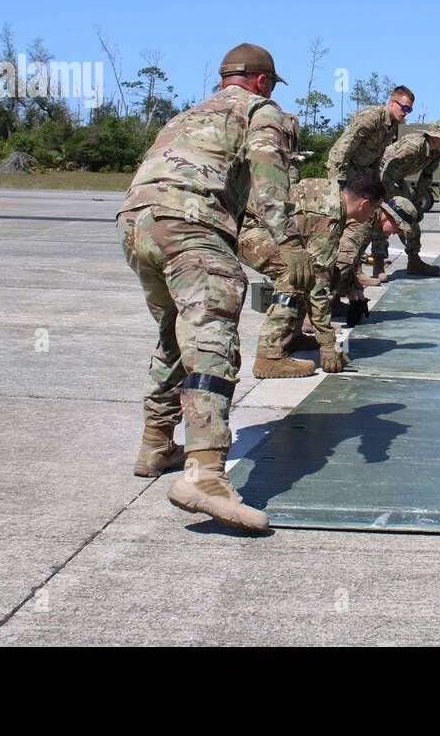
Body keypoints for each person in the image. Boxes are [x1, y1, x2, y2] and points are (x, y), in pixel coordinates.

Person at [116, 43, 306, 532]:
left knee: (174, 332)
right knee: (212, 340)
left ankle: (157, 444)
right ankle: (205, 476)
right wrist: (290, 244)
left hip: (136, 222)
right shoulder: (261, 111)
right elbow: (269, 184)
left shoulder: (189, 113)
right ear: (263, 81)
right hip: (190, 224)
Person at [239, 172, 385, 379]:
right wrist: (327, 344)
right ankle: (269, 358)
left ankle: (292, 336)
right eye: (374, 209)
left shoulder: (333, 196)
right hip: (248, 230)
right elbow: (318, 285)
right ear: (364, 204)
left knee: (319, 271)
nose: (372, 216)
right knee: (294, 274)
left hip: (261, 227)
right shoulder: (331, 215)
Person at [328, 85, 414, 285]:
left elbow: (377, 155)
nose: (406, 113)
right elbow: (344, 146)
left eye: (409, 110)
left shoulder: (391, 126)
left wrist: (374, 183)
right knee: (346, 224)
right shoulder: (372, 117)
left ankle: (353, 271)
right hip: (345, 172)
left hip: (361, 174)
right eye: (404, 107)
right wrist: (338, 182)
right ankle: (348, 272)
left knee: (362, 222)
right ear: (393, 102)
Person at [377, 120, 440, 276]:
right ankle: (378, 264)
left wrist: (416, 200)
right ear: (432, 137)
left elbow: (427, 175)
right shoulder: (413, 146)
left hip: (397, 179)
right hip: (381, 177)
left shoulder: (437, 151)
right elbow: (386, 169)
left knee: (411, 217)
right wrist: (385, 199)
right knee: (385, 219)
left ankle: (414, 260)